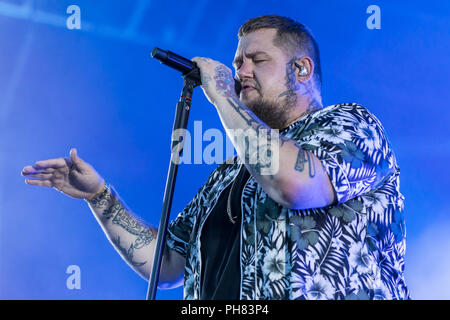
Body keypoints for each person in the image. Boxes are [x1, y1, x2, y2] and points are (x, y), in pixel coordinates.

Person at [21, 15, 410, 300]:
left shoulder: (350, 123)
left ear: (302, 68)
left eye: (256, 60)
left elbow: (294, 183)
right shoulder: (228, 173)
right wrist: (100, 197)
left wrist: (221, 93)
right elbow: (167, 266)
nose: (240, 71)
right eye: (238, 62)